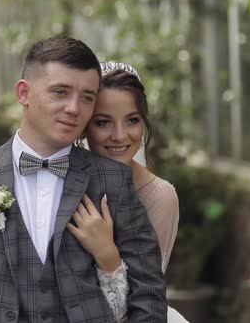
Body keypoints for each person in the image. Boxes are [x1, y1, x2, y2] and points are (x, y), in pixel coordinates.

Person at [0, 37, 167, 322]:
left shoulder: (113, 179)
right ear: (24, 93)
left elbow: (149, 293)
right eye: (60, 92)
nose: (74, 108)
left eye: (87, 97)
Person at [67, 61, 188, 322]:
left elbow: (145, 298)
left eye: (132, 120)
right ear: (85, 124)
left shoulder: (160, 197)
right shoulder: (59, 177)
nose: (120, 136)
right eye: (103, 122)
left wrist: (106, 253)